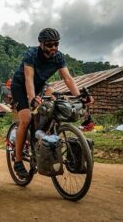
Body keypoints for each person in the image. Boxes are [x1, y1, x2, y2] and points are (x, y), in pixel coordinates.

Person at [11, 28, 92, 178]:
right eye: (49, 45)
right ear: (41, 44)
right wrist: (32, 98)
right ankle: (18, 160)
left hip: (40, 85)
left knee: (55, 102)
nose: (53, 47)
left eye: (56, 44)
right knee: (26, 119)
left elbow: (68, 79)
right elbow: (29, 78)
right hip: (20, 86)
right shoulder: (31, 54)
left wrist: (80, 97)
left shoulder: (58, 57)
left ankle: (40, 138)